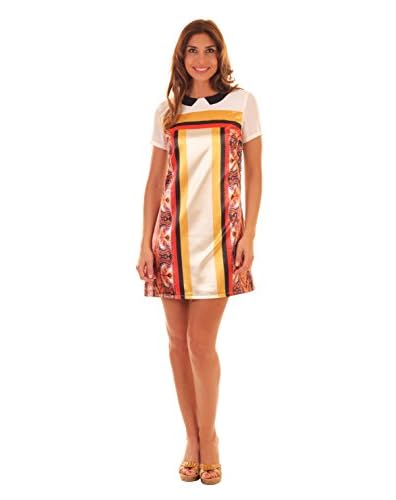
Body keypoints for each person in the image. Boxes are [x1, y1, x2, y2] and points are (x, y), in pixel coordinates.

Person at [136, 19, 262, 485]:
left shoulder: (242, 103)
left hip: (221, 240)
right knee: (176, 343)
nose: (201, 59)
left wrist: (249, 235)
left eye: (209, 50)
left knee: (200, 344)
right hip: (171, 241)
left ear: (220, 55)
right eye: (193, 50)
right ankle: (191, 439)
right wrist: (145, 241)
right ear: (181, 56)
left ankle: (210, 439)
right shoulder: (166, 111)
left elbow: (255, 172)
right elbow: (155, 181)